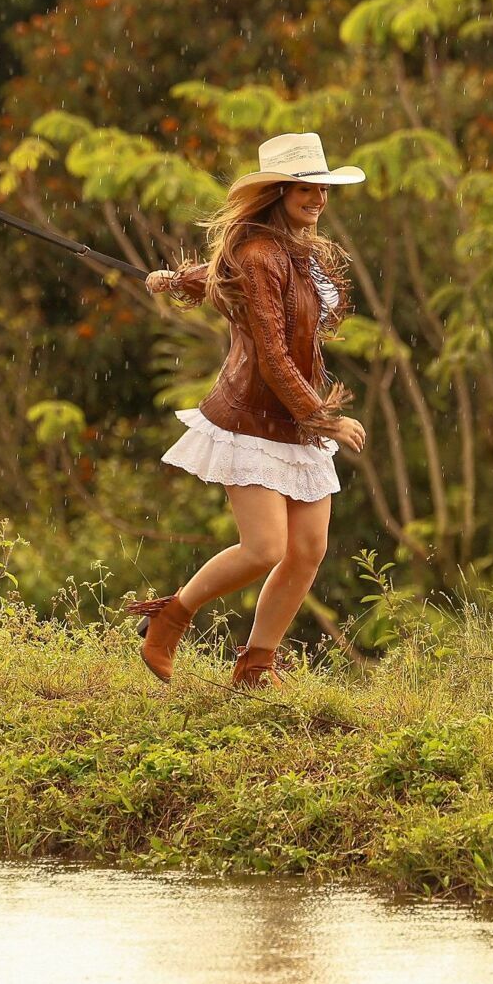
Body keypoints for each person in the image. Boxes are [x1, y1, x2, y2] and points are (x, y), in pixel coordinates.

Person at [130, 131, 368, 687]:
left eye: (323, 189)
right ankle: (171, 619)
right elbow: (271, 351)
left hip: (293, 419)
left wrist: (178, 279)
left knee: (307, 550)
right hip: (253, 419)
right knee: (265, 548)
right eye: (307, 189)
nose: (318, 199)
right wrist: (323, 415)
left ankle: (256, 667)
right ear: (280, 190)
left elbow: (224, 279)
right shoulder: (262, 253)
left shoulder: (296, 251)